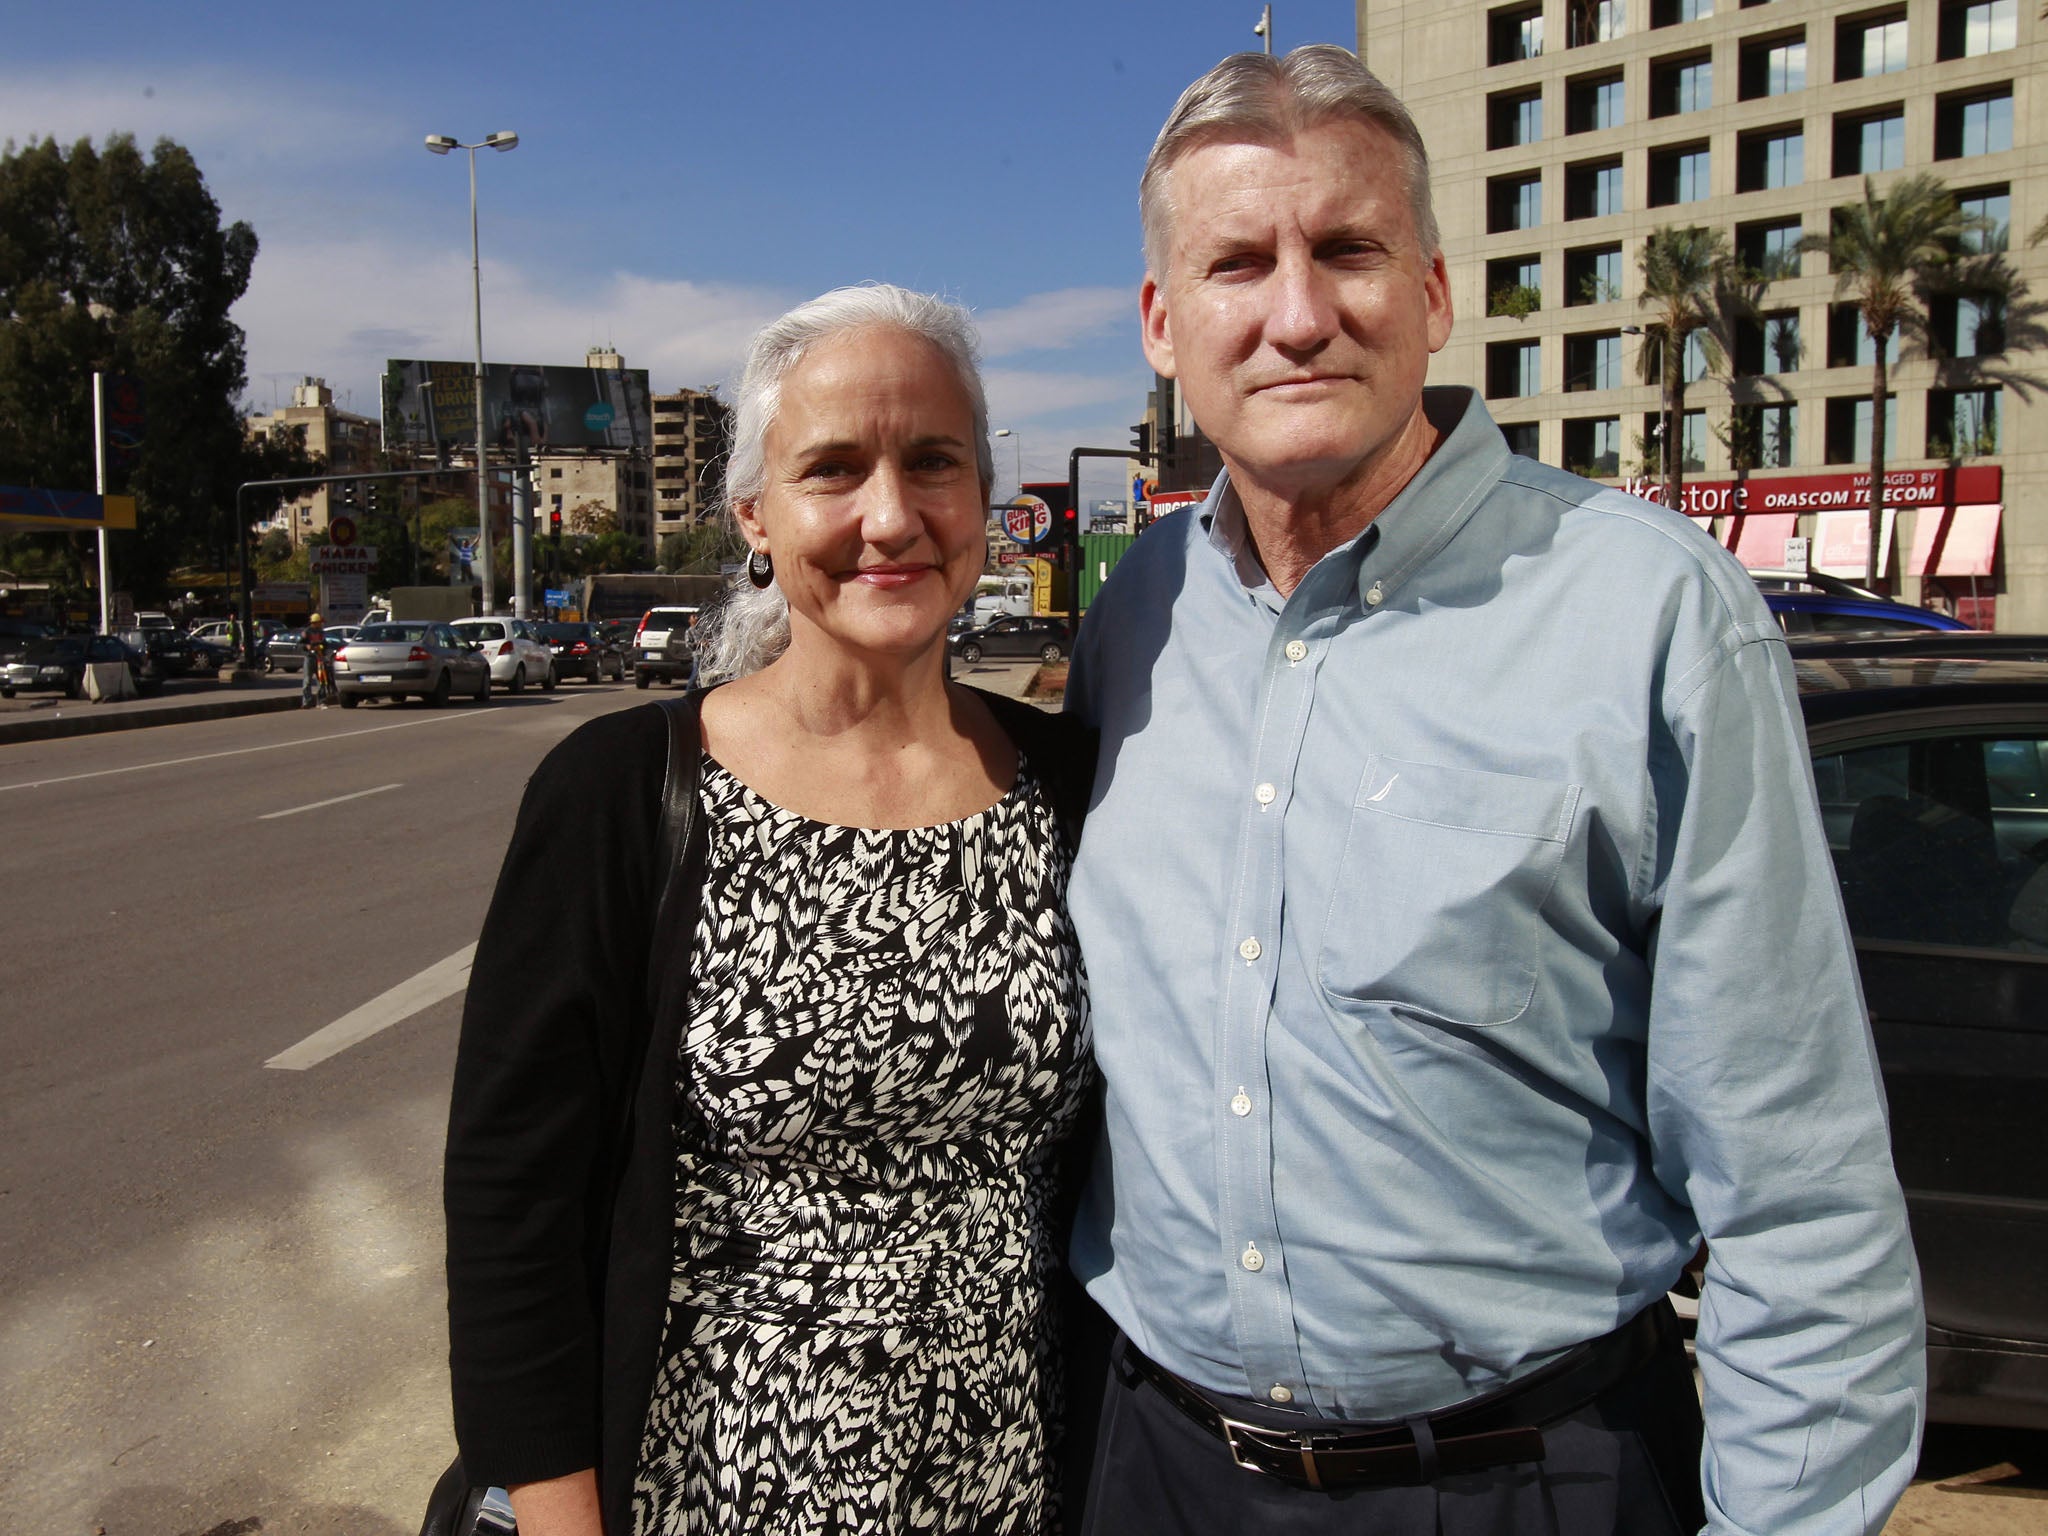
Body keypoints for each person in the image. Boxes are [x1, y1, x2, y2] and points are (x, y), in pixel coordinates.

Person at [1062, 45, 1923, 1536]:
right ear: (1162, 324)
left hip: (1524, 1481)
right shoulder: (1136, 617)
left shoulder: (1655, 617)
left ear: (1437, 294)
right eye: (1237, 264)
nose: (1298, 314)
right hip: (1154, 1469)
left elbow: (1799, 1187)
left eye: (1348, 250)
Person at [444, 284, 1098, 1536]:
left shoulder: (1064, 786)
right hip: (709, 1488)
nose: (890, 516)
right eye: (832, 469)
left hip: (1010, 1486)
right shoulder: (623, 794)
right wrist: (555, 1512)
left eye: (933, 463)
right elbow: (511, 1200)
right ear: (754, 512)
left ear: (981, 501)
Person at [299, 612, 326, 708]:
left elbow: (325, 644)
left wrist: (321, 648)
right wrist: (307, 646)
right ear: (314, 622)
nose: (320, 624)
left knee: (321, 680)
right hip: (309, 658)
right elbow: (300, 644)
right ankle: (306, 702)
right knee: (307, 681)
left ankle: (321, 701)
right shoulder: (306, 632)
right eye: (318, 622)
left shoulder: (321, 632)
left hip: (319, 658)